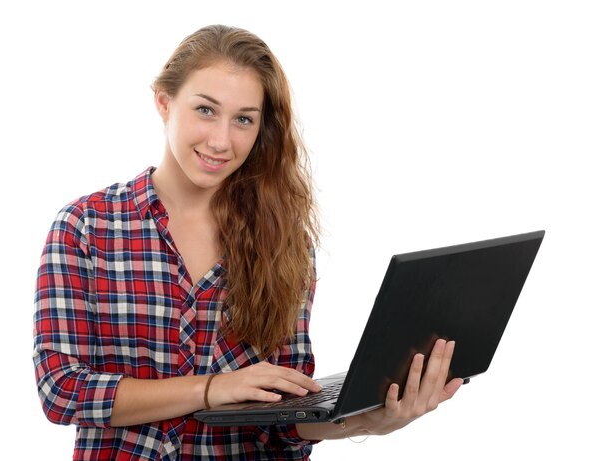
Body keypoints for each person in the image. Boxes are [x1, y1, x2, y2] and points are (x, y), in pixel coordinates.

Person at [33, 24, 464, 460]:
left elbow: (284, 418)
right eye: (205, 110)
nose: (222, 141)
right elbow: (62, 390)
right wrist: (211, 389)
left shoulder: (283, 240)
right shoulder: (87, 226)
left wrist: (370, 420)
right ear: (164, 102)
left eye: (243, 119)